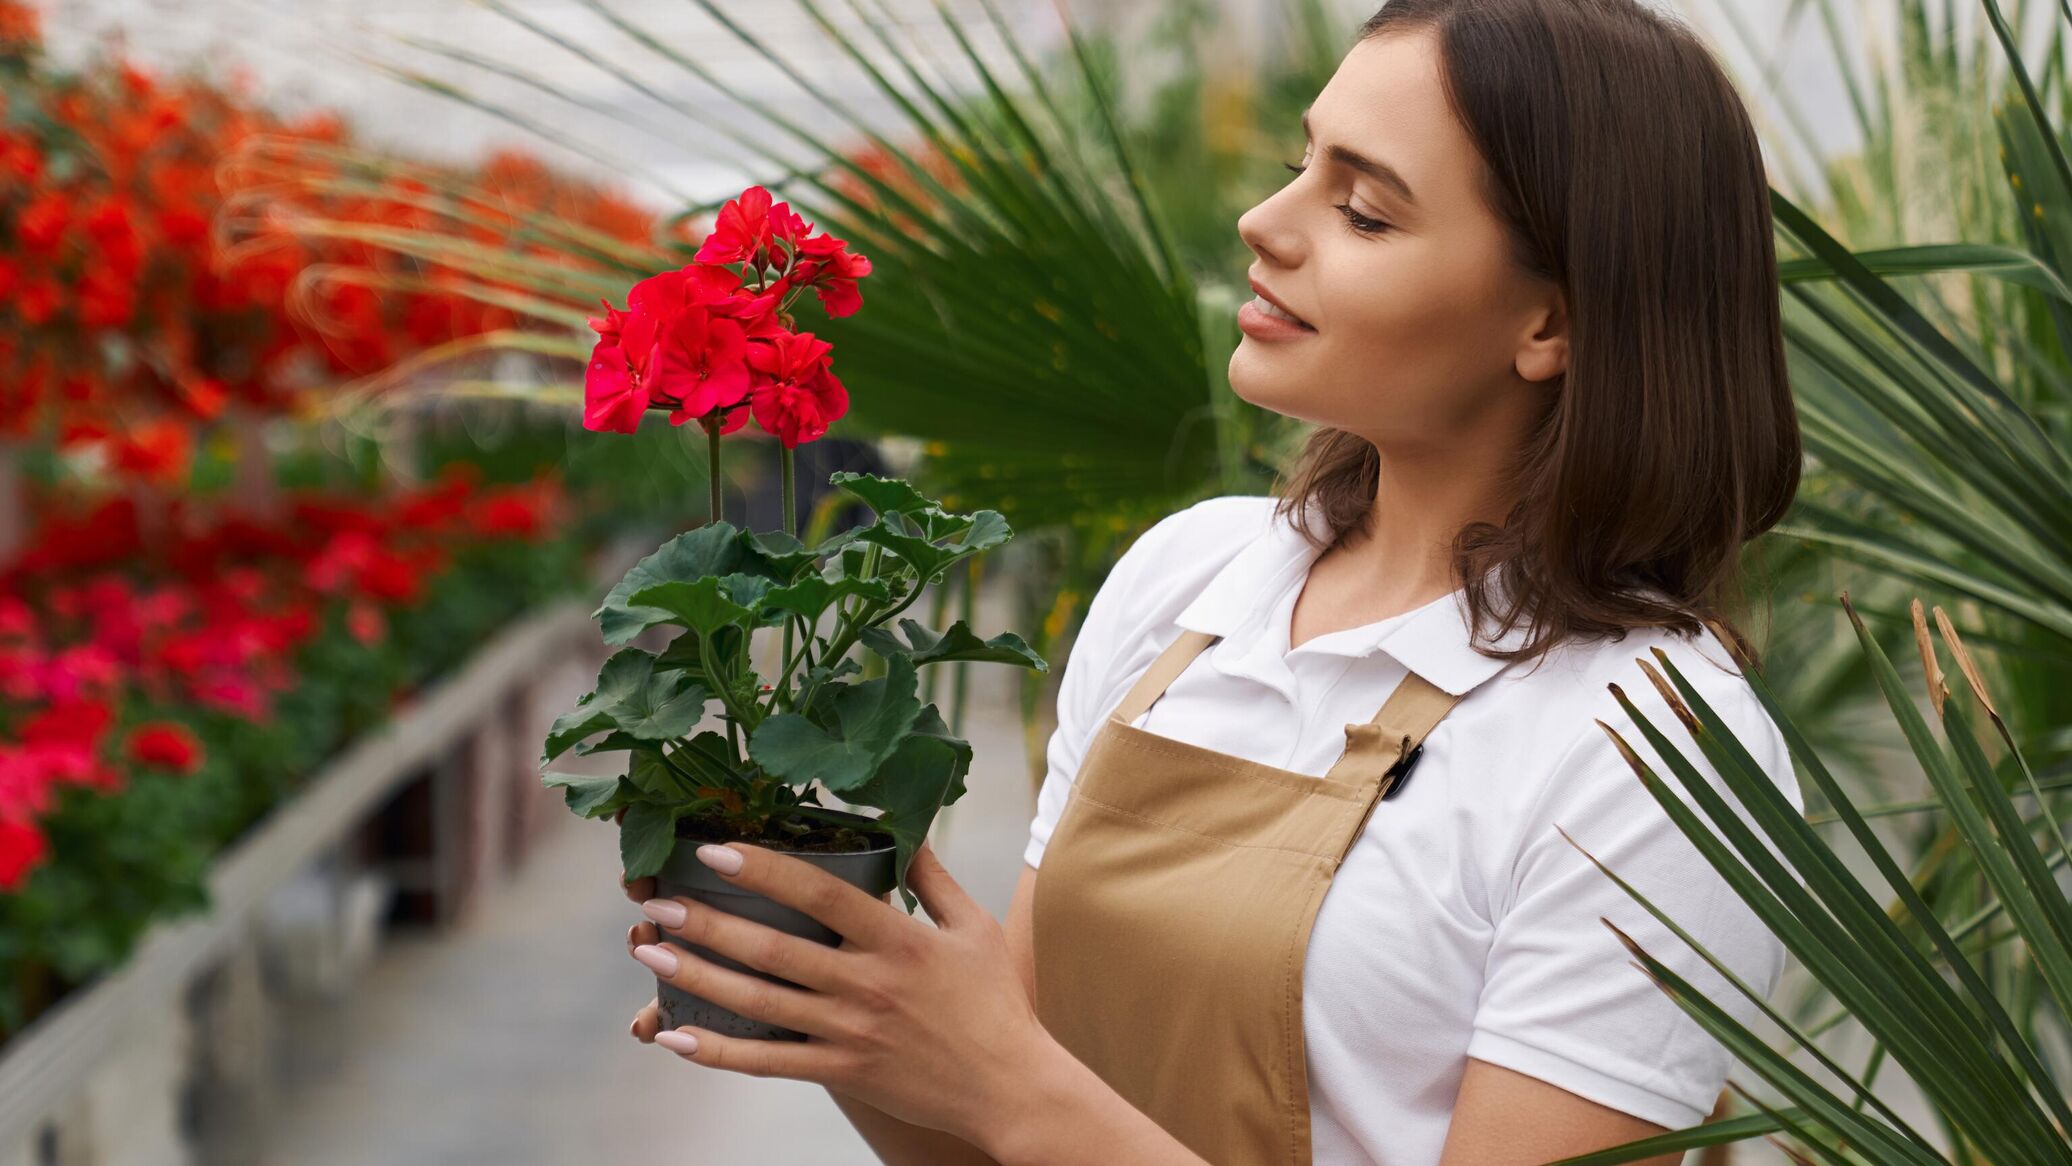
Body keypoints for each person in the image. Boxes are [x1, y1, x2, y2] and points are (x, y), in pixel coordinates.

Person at [620, 1, 1805, 1163]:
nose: (1263, 221)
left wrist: (1004, 1076)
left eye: (1362, 211)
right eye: (1299, 164)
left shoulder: (1648, 751)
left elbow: (1022, 1094)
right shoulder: (1193, 579)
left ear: (1549, 321)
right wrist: (840, 1011)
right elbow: (996, 1137)